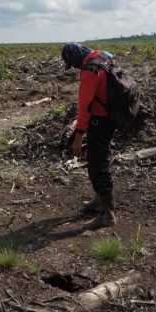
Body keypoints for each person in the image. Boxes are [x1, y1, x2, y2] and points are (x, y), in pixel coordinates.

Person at [62, 43, 117, 228]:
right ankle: (99, 201)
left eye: (73, 64)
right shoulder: (104, 56)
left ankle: (108, 215)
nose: (76, 68)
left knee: (97, 166)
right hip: (112, 116)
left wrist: (78, 137)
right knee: (103, 158)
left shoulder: (89, 71)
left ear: (76, 58)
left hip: (100, 120)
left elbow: (84, 108)